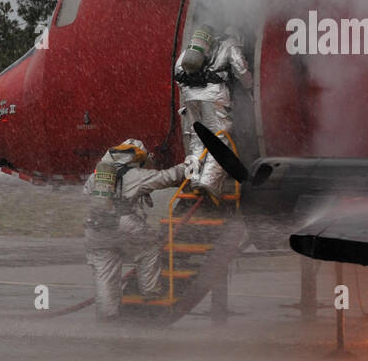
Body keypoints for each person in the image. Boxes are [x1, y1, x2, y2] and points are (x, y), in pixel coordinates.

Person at [83, 139, 189, 320]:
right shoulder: (135, 174)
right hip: (124, 223)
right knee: (149, 249)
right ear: (136, 157)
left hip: (96, 228)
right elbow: (168, 177)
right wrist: (189, 165)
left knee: (105, 272)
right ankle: (151, 290)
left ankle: (108, 316)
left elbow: (86, 195)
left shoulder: (96, 176)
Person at [174, 23, 252, 204]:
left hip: (190, 96)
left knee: (196, 139)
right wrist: (250, 86)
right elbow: (241, 69)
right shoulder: (229, 43)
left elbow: (178, 70)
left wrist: (189, 90)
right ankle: (209, 182)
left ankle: (193, 179)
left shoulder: (194, 46)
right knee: (219, 139)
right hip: (214, 96)